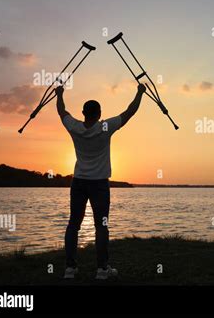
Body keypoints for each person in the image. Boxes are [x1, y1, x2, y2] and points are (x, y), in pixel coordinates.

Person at [55, 83, 146, 279]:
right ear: (99, 114)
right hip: (99, 184)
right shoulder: (105, 127)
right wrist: (140, 92)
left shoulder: (75, 126)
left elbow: (62, 111)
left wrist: (60, 94)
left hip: (78, 182)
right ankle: (102, 269)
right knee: (101, 225)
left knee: (73, 224)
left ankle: (70, 269)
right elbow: (130, 112)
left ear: (83, 113)